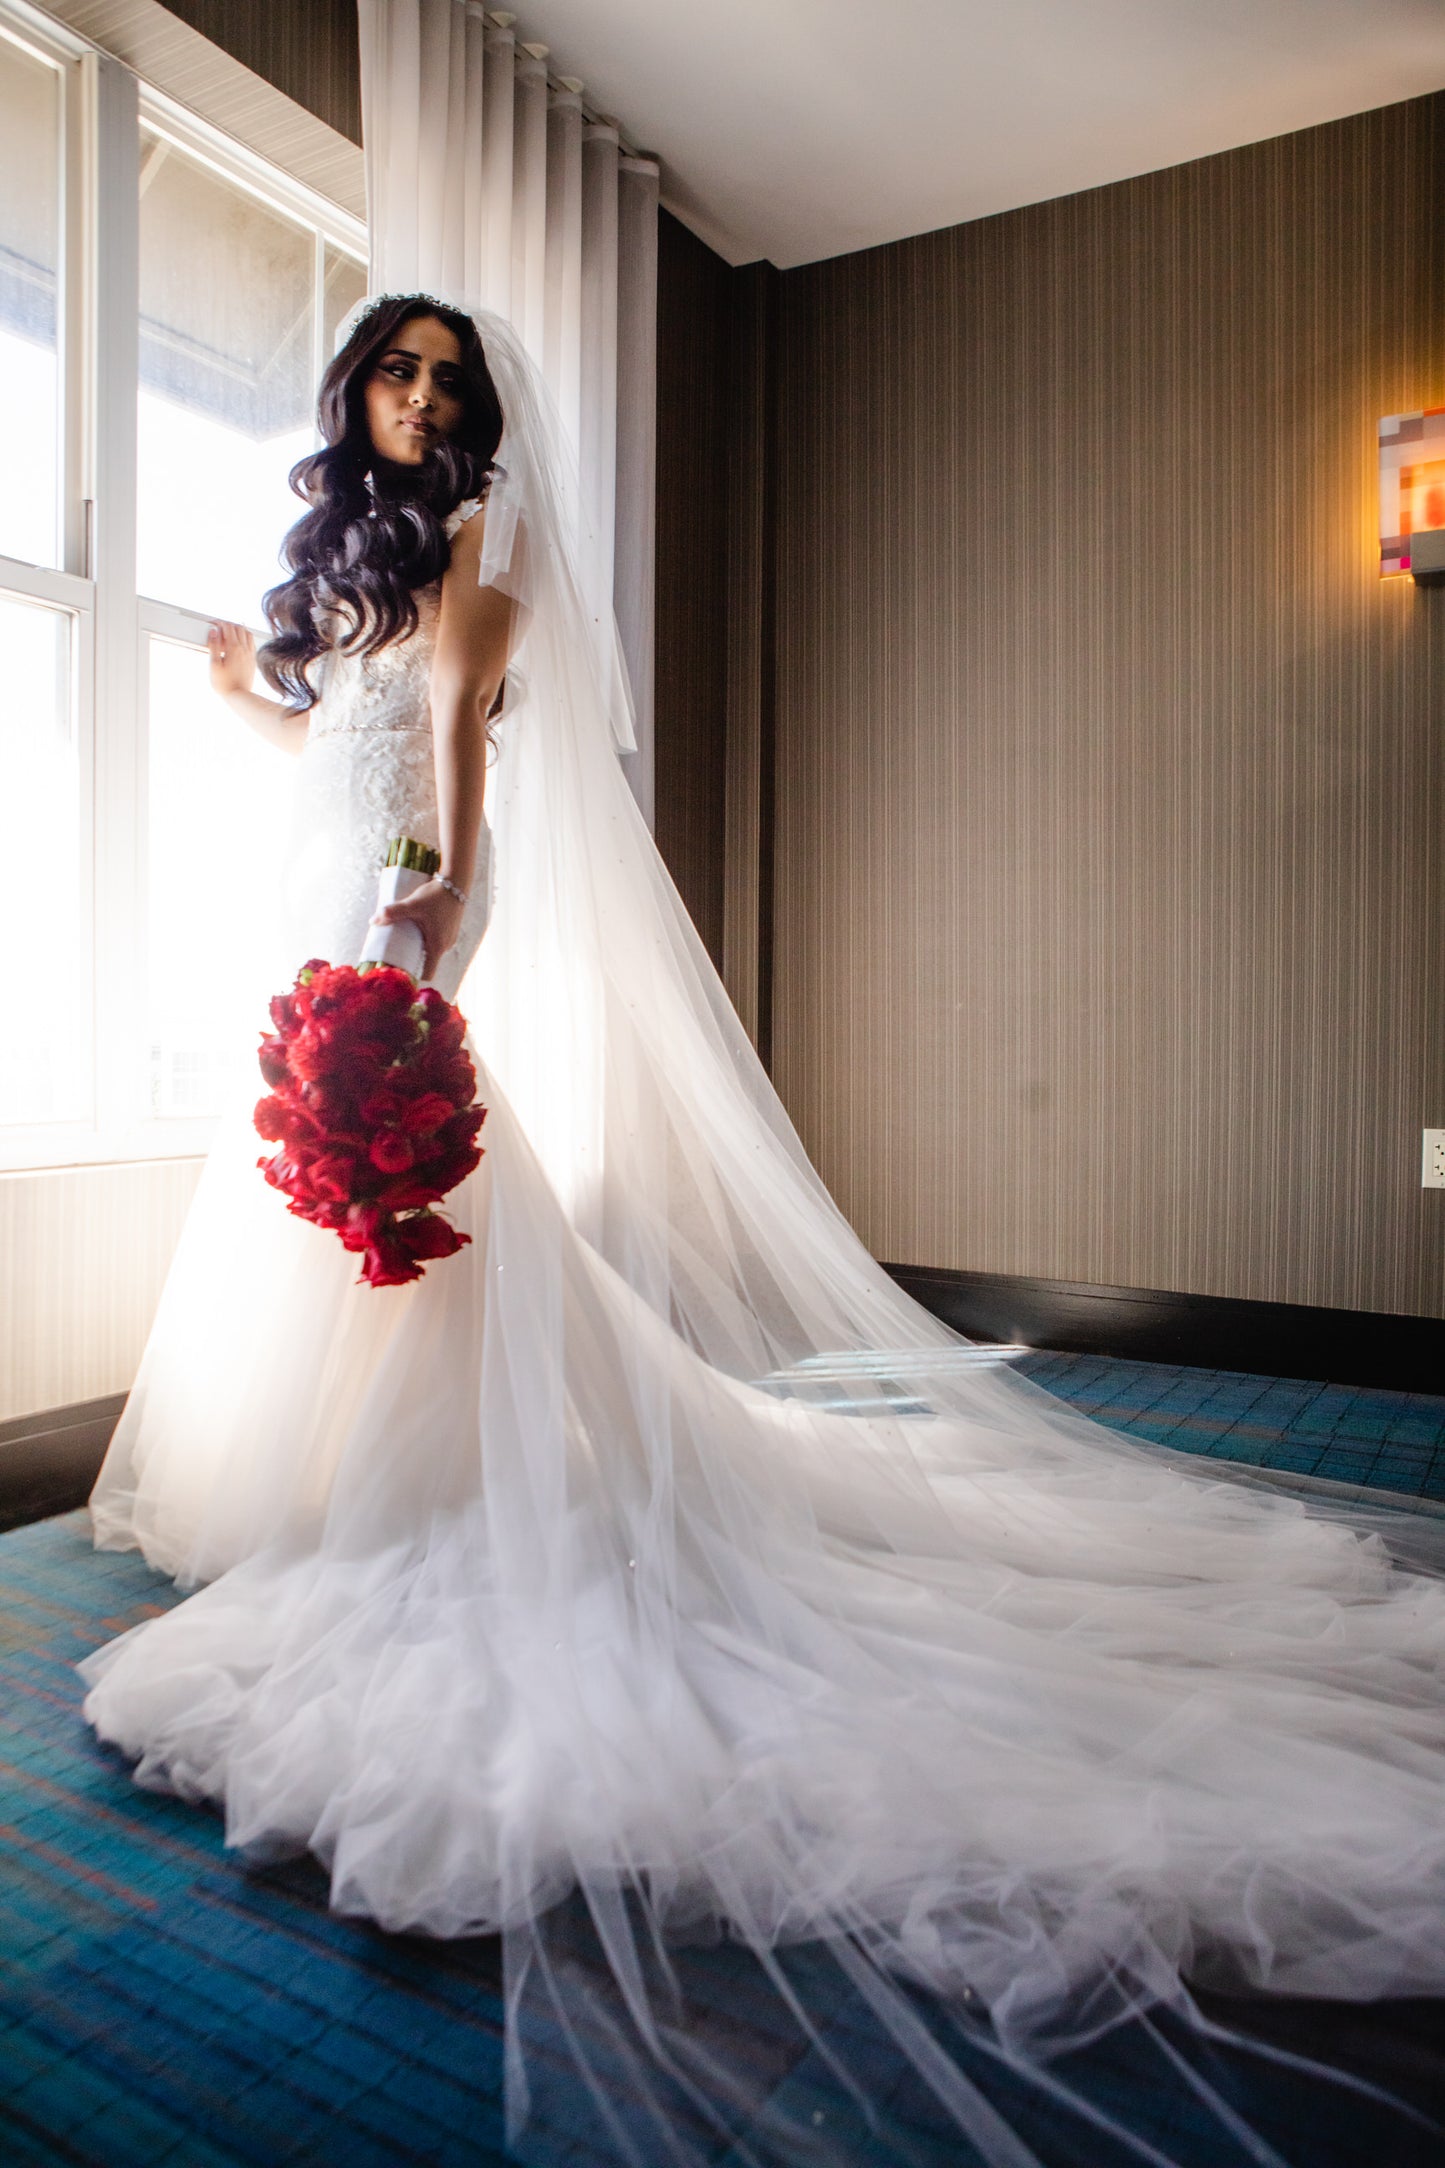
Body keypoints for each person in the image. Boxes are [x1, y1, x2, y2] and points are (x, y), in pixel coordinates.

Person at [81, 295, 1445, 2167]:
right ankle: (333, 1481)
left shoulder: (477, 596)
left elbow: (454, 847)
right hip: (312, 963)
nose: (415, 402)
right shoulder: (347, 612)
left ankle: (420, 1499)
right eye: (393, 374)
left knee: (423, 1266)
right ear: (353, 398)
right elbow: (337, 757)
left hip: (384, 980)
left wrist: (405, 994)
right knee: (329, 1265)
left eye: (444, 385)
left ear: (473, 424)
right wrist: (254, 694)